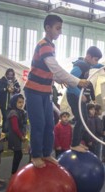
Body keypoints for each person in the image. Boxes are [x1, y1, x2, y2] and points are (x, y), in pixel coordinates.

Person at [23, 14, 89, 168]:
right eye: (58, 28)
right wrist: (77, 81)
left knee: (49, 123)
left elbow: (50, 70)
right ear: (48, 28)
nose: (60, 32)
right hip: (33, 91)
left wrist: (61, 80)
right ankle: (36, 155)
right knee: (38, 123)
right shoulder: (44, 45)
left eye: (61, 28)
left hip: (45, 91)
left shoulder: (51, 46)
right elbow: (55, 68)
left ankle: (46, 153)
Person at [66, 46, 105, 154]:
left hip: (78, 97)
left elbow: (94, 64)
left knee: (84, 119)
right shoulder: (79, 66)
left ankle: (77, 142)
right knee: (81, 119)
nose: (96, 62)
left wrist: (102, 66)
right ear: (88, 56)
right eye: (96, 59)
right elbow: (69, 82)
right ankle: (74, 144)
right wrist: (80, 94)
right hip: (73, 96)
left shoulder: (86, 64)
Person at [0, 68, 21, 132]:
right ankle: (5, 133)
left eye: (12, 75)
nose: (10, 76)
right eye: (9, 75)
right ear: (6, 74)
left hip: (13, 104)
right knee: (6, 118)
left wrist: (14, 89)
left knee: (12, 118)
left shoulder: (15, 81)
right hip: (4, 104)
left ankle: (10, 133)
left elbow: (19, 90)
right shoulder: (1, 80)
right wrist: (6, 89)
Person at [7, 94, 27, 175]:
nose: (21, 104)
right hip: (15, 136)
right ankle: (13, 173)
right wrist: (21, 136)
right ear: (14, 102)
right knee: (18, 155)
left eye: (22, 102)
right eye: (19, 102)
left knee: (18, 155)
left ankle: (14, 172)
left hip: (18, 136)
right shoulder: (13, 112)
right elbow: (15, 128)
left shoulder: (20, 112)